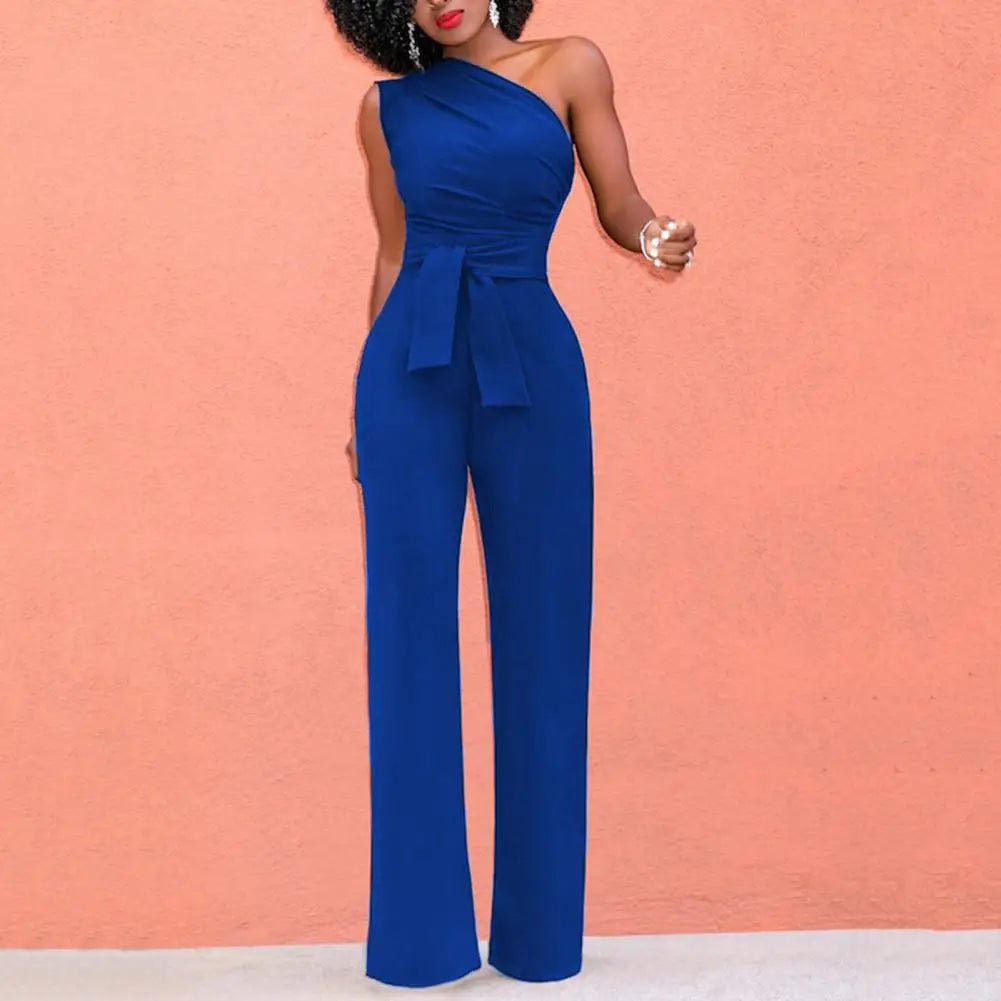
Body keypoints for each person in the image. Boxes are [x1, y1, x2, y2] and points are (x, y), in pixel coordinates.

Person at [327, 0, 697, 989]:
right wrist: (365, 404)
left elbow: (619, 200)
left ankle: (538, 940)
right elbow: (392, 253)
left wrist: (653, 233)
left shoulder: (569, 64)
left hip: (530, 357)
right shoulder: (384, 109)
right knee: (406, 637)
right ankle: (420, 946)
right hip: (408, 372)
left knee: (545, 632)